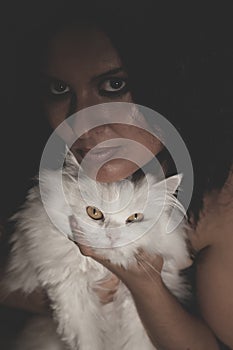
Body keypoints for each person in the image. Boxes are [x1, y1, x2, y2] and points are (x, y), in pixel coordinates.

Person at [1, 1, 233, 349]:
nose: (81, 121)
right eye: (59, 90)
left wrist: (144, 283)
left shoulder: (220, 201)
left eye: (113, 84)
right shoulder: (19, 160)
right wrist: (65, 295)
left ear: (174, 84)